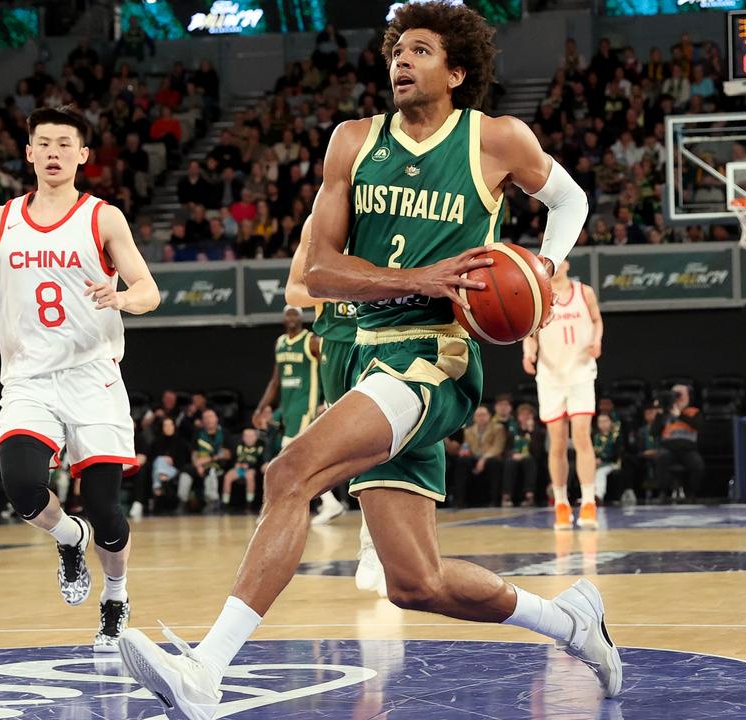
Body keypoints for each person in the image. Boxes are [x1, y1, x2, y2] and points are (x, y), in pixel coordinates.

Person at [118, 4, 620, 715]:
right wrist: (415, 277)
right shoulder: (352, 142)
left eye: (419, 50)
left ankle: (206, 667)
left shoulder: (497, 140)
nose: (401, 62)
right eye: (395, 51)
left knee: (288, 472)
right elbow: (318, 270)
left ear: (457, 70)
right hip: (363, 357)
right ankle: (569, 620)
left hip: (432, 358)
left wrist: (541, 270)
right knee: (413, 583)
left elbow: (569, 200)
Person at [0, 105, 161, 650]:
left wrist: (124, 297)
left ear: (83, 155)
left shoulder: (103, 217)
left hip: (92, 377)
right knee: (22, 485)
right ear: (30, 152)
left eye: (66, 143)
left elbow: (149, 290)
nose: (54, 151)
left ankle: (115, 592)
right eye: (45, 142)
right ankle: (69, 536)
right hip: (28, 378)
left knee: (107, 509)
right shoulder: (1, 218)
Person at [285, 223, 384, 595]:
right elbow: (293, 290)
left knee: (379, 442)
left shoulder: (385, 212)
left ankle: (374, 546)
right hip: (337, 344)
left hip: (379, 337)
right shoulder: (317, 223)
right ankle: (369, 541)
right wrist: (330, 290)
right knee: (353, 449)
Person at [522, 258, 602, 529]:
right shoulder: (540, 296)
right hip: (551, 375)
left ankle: (589, 502)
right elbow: (529, 332)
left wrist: (597, 340)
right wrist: (528, 351)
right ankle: (561, 503)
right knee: (556, 441)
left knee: (581, 435)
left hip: (580, 371)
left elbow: (597, 320)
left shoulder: (584, 292)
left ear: (567, 264)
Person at [252, 305, 342, 523]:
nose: (292, 318)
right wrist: (260, 408)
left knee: (289, 457)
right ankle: (329, 502)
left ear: (302, 319)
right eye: (288, 314)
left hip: (306, 407)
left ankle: (277, 507)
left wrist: (325, 401)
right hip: (289, 409)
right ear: (284, 318)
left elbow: (328, 368)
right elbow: (275, 381)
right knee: (299, 461)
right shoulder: (280, 343)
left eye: (296, 314)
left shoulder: (311, 341)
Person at [652, 386, 704, 501]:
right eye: (675, 395)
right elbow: (654, 432)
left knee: (697, 464)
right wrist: (660, 414)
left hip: (687, 449)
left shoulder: (693, 411)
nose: (678, 398)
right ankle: (663, 493)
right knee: (661, 458)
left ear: (688, 396)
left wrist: (680, 415)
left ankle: (691, 494)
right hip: (668, 448)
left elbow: (698, 425)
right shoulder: (664, 414)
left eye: (680, 394)